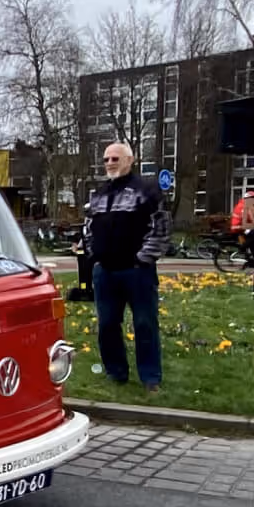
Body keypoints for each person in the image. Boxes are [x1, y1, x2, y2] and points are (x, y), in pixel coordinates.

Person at [85, 141, 170, 394]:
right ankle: (115, 373)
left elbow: (161, 228)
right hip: (105, 272)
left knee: (145, 323)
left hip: (137, 271)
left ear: (130, 160)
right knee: (107, 324)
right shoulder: (98, 194)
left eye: (115, 158)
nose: (110, 163)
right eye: (106, 159)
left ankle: (150, 377)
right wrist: (94, 256)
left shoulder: (146, 190)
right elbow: (88, 228)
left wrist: (143, 258)